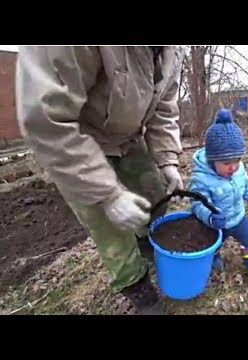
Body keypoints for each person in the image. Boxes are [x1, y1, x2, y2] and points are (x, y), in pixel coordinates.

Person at [15, 46, 185, 315]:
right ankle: (138, 289)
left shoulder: (171, 51)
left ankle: (146, 247)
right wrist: (108, 195)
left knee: (153, 196)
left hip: (126, 136)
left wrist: (167, 161)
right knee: (110, 228)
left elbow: (163, 107)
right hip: (74, 140)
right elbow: (46, 119)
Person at [187, 108, 248, 278]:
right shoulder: (201, 179)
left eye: (237, 160)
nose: (233, 167)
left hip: (238, 217)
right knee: (212, 243)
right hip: (216, 224)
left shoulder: (238, 169)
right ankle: (213, 256)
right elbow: (198, 204)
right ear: (212, 160)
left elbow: (245, 182)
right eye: (227, 162)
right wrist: (210, 217)